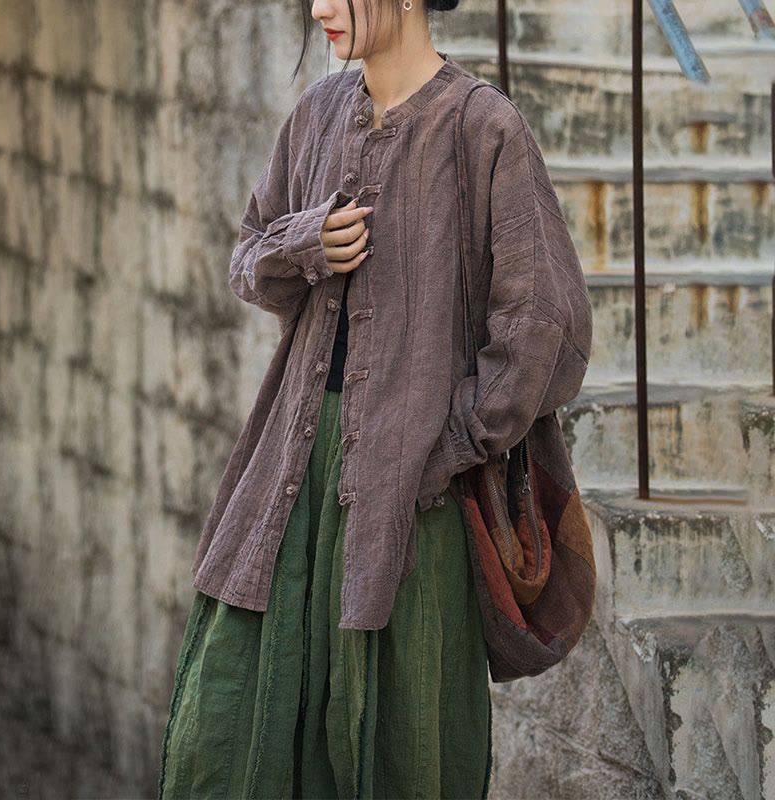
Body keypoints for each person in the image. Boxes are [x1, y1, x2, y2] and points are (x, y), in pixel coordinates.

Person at [157, 0, 592, 797]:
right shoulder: (318, 113)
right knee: (225, 730)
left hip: (413, 498)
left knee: (393, 741)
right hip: (290, 471)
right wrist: (306, 243)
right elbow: (249, 255)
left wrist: (452, 443)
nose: (319, 7)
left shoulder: (483, 127)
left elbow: (544, 324)